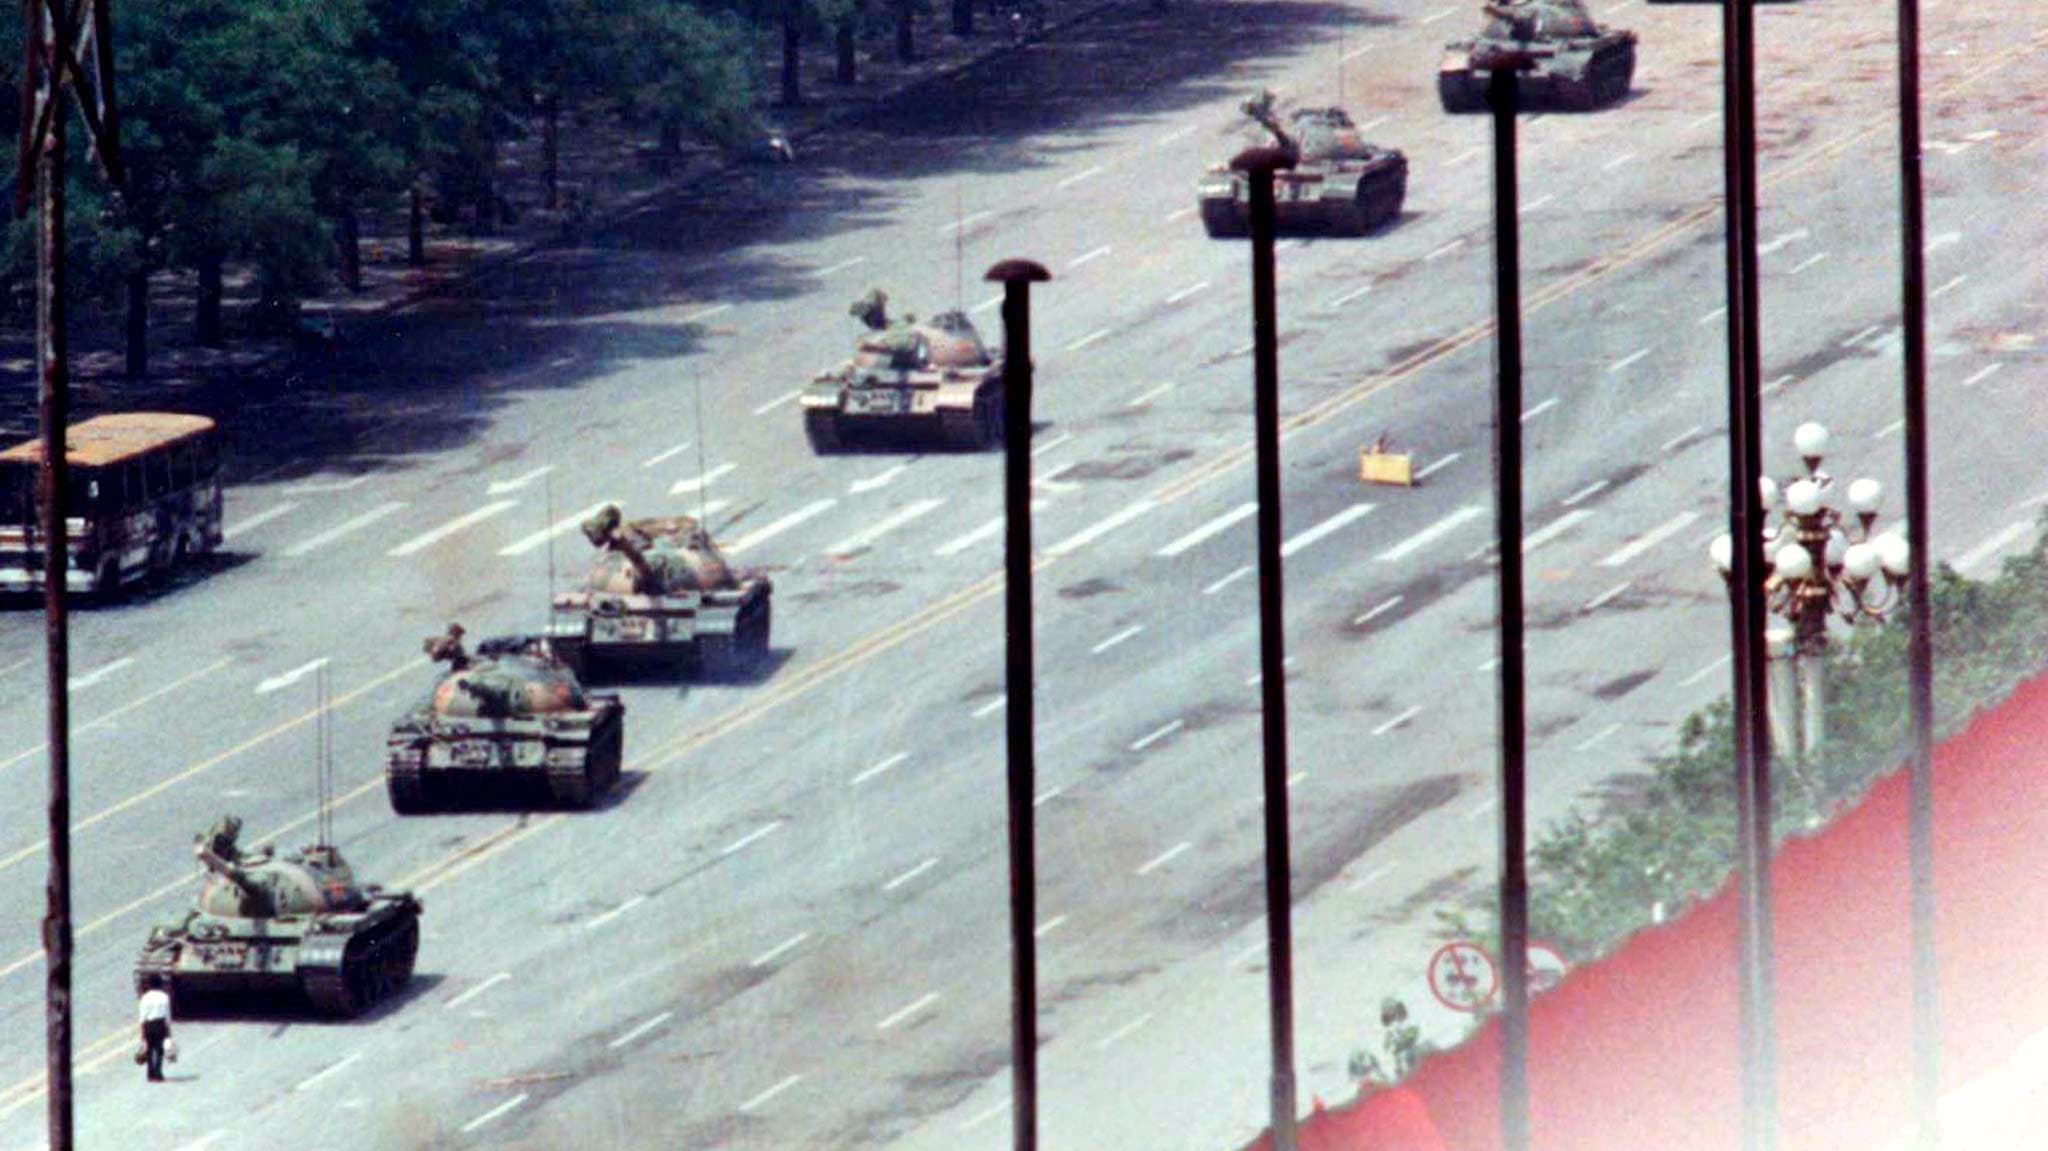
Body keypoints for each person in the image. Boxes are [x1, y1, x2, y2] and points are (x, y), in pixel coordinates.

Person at [137, 976, 173, 1082]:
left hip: (148, 1025)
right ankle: (158, 1073)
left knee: (149, 1049)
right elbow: (167, 1014)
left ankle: (150, 1072)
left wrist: (142, 1033)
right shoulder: (164, 997)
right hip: (160, 1024)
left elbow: (142, 1016)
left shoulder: (145, 997)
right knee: (159, 1049)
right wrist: (168, 1029)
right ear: (160, 985)